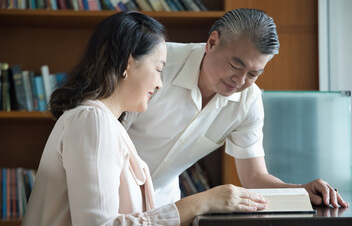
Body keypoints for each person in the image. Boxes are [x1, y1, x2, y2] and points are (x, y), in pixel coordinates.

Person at [22, 11, 270, 226]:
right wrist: (201, 202)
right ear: (128, 64)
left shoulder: (107, 125)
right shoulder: (94, 122)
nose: (161, 84)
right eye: (159, 69)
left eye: (253, 74)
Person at [123, 8, 349, 209]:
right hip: (106, 190)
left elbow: (254, 177)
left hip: (163, 206)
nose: (240, 81)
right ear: (212, 42)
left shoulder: (248, 101)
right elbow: (105, 133)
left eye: (253, 74)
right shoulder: (157, 64)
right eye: (235, 65)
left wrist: (300, 191)